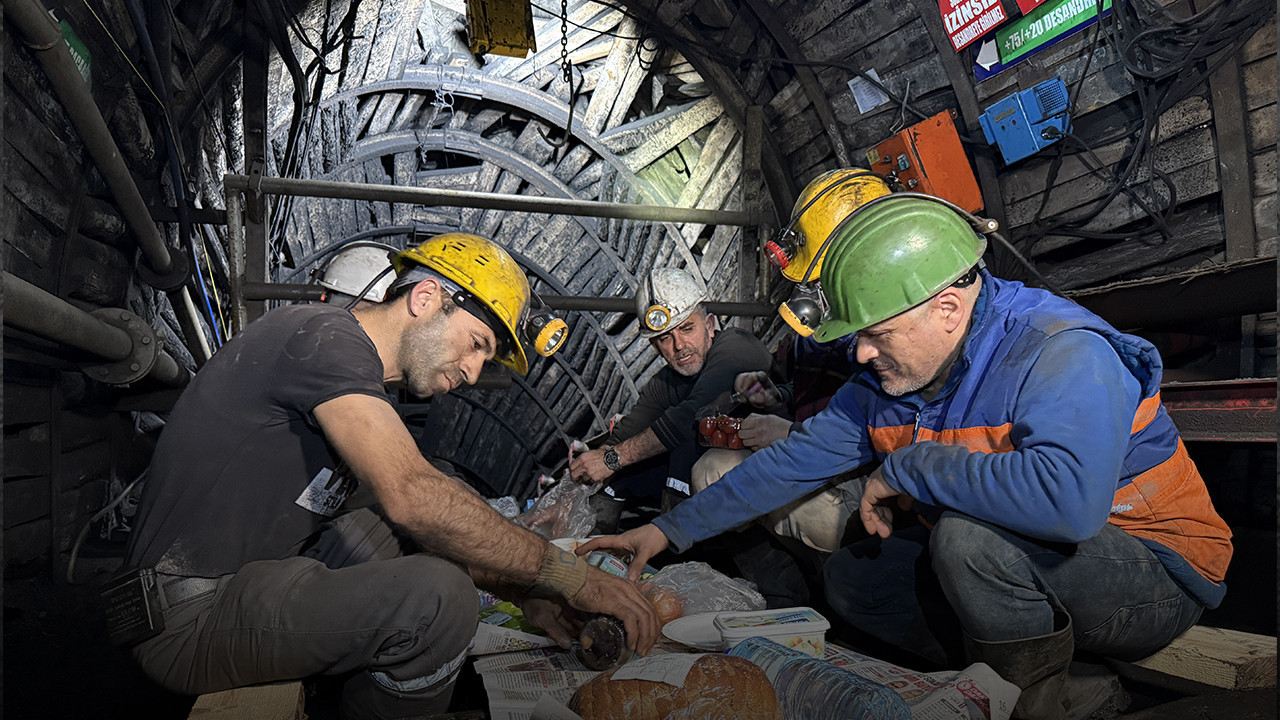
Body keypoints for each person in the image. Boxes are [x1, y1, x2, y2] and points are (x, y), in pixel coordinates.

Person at [581, 194, 1233, 720]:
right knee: (855, 580)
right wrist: (666, 529)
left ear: (947, 307)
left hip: (1155, 570)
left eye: (875, 334)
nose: (861, 353)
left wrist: (910, 466)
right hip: (1048, 563)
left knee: (967, 541)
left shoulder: (1059, 351)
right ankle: (1058, 677)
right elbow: (788, 464)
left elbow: (1068, 504)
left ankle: (1033, 703)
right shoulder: (894, 381)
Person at [122, 233, 658, 720]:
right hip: (184, 614)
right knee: (441, 600)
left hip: (249, 576)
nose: (473, 373)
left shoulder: (347, 366)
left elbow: (405, 517)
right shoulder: (325, 340)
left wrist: (524, 594)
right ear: (425, 300)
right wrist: (574, 578)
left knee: (395, 522)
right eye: (476, 345)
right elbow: (413, 495)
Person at [567, 266, 773, 513]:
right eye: (665, 338)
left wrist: (612, 459)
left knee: (684, 450)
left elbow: (689, 417)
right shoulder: (666, 383)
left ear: (709, 325)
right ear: (655, 347)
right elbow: (625, 435)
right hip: (724, 498)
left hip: (779, 480)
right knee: (628, 473)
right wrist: (575, 487)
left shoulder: (737, 348)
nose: (679, 346)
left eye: (687, 329)